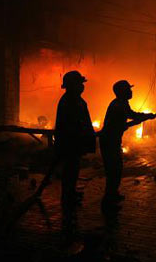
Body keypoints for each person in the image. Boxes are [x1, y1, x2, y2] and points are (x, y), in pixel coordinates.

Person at [100, 80, 156, 208]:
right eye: (128, 89)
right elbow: (129, 118)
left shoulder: (122, 103)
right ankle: (108, 199)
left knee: (116, 168)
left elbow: (131, 117)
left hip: (112, 139)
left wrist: (147, 117)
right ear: (122, 92)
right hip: (109, 140)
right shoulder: (118, 105)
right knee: (113, 169)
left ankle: (112, 194)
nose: (131, 91)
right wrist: (146, 117)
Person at [54, 70, 95, 209]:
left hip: (75, 142)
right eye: (79, 83)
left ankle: (70, 192)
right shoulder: (68, 102)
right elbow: (71, 125)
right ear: (72, 85)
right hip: (70, 142)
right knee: (70, 169)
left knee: (74, 168)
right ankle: (67, 196)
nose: (82, 86)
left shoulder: (77, 100)